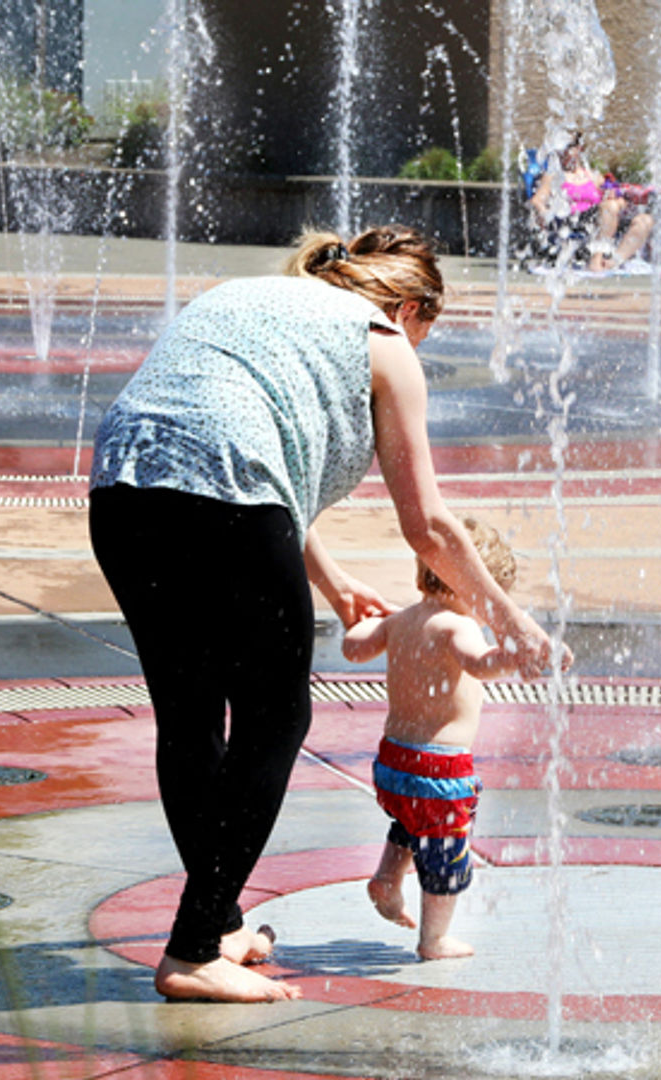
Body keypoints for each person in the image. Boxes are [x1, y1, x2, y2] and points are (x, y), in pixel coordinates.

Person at [88, 225, 560, 1004]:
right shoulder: (385, 342)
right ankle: (193, 948)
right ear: (411, 308)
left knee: (191, 714)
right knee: (276, 718)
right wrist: (512, 620)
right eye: (428, 333)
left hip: (121, 489)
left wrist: (337, 586)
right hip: (226, 497)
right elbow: (430, 527)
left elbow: (244, 444)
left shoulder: (247, 296)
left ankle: (219, 922)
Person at [342, 517, 518, 962]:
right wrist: (516, 657)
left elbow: (354, 647)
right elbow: (481, 664)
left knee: (410, 820)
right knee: (445, 852)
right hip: (439, 767)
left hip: (393, 764)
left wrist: (360, 623)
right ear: (470, 584)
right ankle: (434, 939)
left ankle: (387, 877)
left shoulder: (401, 620)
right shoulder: (458, 628)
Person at [526, 134, 652, 272]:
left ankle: (613, 262)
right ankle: (596, 260)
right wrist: (545, 214)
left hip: (599, 221)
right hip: (571, 221)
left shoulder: (594, 176)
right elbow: (537, 200)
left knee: (644, 220)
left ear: (579, 148)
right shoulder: (553, 175)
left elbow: (617, 198)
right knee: (609, 207)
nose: (562, 152)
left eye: (567, 147)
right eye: (559, 147)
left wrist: (619, 201)